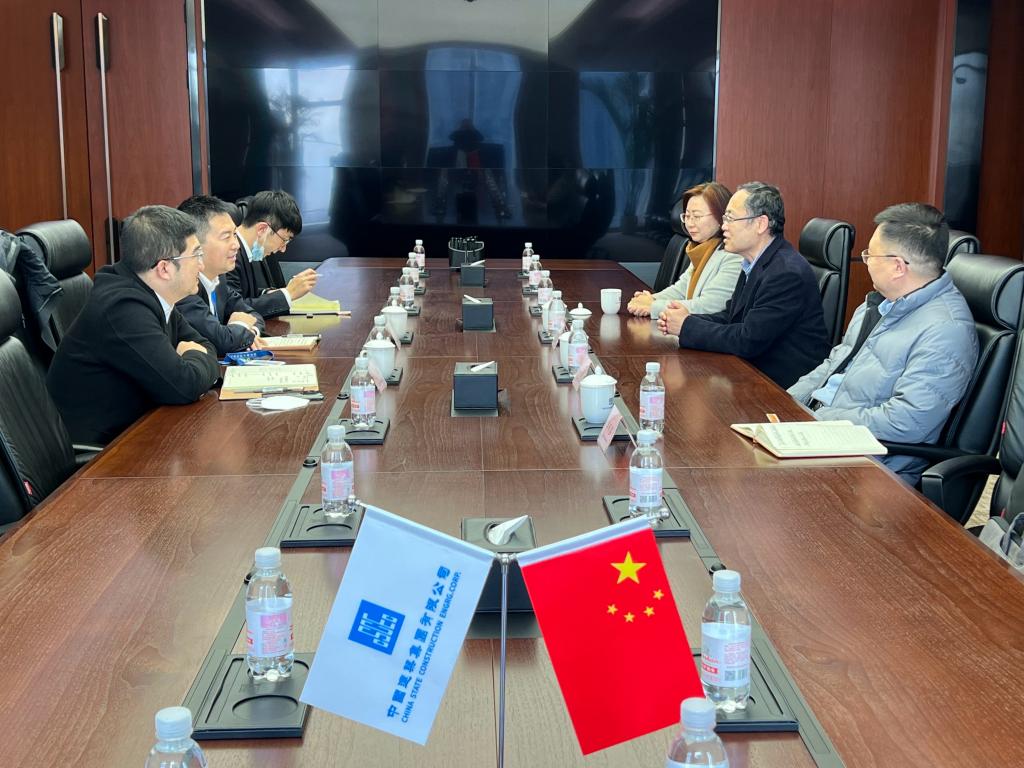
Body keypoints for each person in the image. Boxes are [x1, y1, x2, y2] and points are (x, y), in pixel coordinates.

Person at [788, 203, 978, 483]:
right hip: (823, 436)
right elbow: (833, 365)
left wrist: (817, 420)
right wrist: (786, 404)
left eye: (870, 254)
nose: (865, 261)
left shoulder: (945, 330)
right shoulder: (880, 303)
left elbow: (907, 421)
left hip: (870, 466)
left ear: (897, 266)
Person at [47, 206, 219, 445]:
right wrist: (194, 356)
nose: (201, 265)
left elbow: (205, 345)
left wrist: (192, 357)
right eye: (196, 255)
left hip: (139, 428)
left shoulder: (153, 294)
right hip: (105, 453)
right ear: (164, 268)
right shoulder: (123, 308)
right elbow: (184, 385)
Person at [656, 182, 829, 388]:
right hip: (750, 373)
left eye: (730, 218)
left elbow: (748, 340)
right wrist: (685, 319)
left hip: (781, 389)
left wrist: (687, 326)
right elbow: (730, 317)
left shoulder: (786, 273)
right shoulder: (753, 262)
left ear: (760, 224)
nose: (724, 226)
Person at [628, 182, 743, 318]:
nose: (689, 223)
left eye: (697, 216)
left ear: (720, 217)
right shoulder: (702, 249)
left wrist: (653, 306)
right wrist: (651, 299)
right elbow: (682, 289)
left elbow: (709, 305)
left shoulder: (734, 256)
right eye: (687, 216)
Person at [176, 195, 265, 355]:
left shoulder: (219, 279)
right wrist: (241, 326)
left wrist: (250, 333)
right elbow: (221, 341)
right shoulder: (183, 288)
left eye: (235, 235)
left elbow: (253, 314)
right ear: (195, 244)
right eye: (226, 237)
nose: (236, 245)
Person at [226, 190, 317, 318]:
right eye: (284, 240)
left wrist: (270, 293)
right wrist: (288, 294)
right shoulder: (229, 255)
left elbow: (244, 293)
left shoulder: (247, 250)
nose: (283, 249)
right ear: (262, 229)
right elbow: (235, 309)